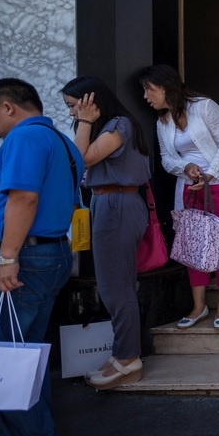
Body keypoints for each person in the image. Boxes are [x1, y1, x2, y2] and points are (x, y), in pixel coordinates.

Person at [0, 78, 82, 436]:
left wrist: (7, 257)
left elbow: (24, 198)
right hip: (50, 251)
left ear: (9, 107)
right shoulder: (63, 142)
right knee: (24, 350)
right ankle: (17, 432)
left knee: (7, 351)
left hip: (24, 256)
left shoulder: (24, 139)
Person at [139, 65, 219, 329]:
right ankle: (199, 306)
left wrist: (209, 175)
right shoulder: (163, 121)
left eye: (149, 89)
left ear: (165, 87)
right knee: (193, 243)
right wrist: (186, 168)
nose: (146, 96)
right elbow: (167, 159)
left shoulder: (204, 107)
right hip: (189, 188)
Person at [60, 76, 151, 389]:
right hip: (109, 203)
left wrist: (85, 122)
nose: (72, 114)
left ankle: (128, 359)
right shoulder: (112, 125)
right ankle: (122, 354)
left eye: (74, 107)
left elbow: (80, 158)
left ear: (91, 101)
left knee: (116, 287)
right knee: (115, 284)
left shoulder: (119, 125)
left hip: (117, 205)